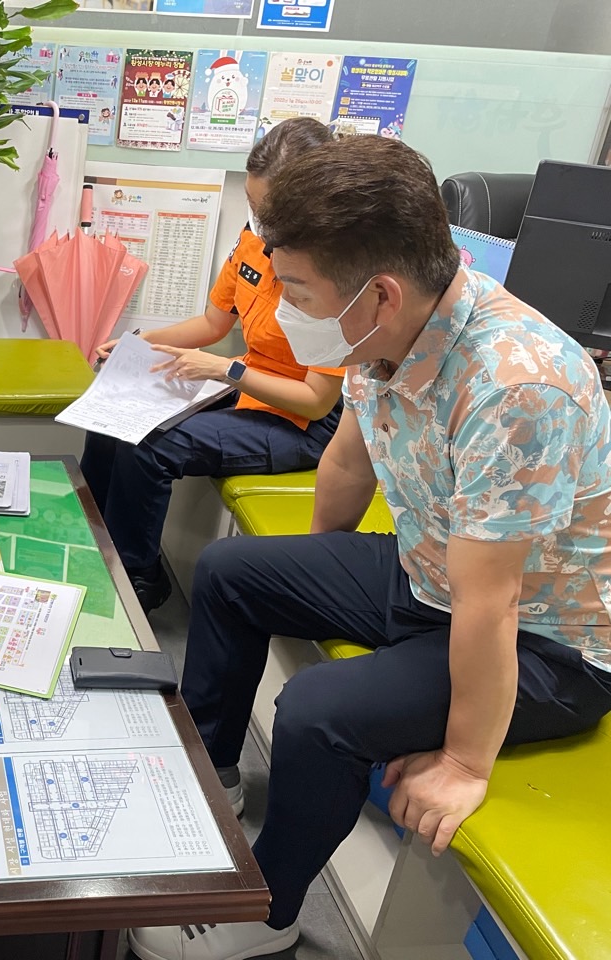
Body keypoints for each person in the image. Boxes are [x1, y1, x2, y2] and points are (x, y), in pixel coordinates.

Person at [129, 136, 611, 960]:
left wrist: (464, 762)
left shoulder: (516, 384)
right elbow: (349, 463)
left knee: (317, 713)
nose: (285, 310)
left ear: (379, 293)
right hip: (432, 576)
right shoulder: (381, 331)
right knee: (234, 572)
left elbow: (493, 602)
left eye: (297, 292)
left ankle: (269, 913)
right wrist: (312, 574)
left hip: (543, 644)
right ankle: (215, 776)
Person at [81, 117, 342, 611]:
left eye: (267, 211)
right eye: (252, 206)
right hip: (245, 385)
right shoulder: (254, 242)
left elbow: (315, 401)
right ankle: (96, 545)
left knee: (149, 444)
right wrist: (138, 344)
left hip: (300, 421)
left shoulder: (336, 271)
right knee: (112, 415)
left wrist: (225, 371)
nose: (258, 220)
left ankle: (134, 579)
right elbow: (212, 323)